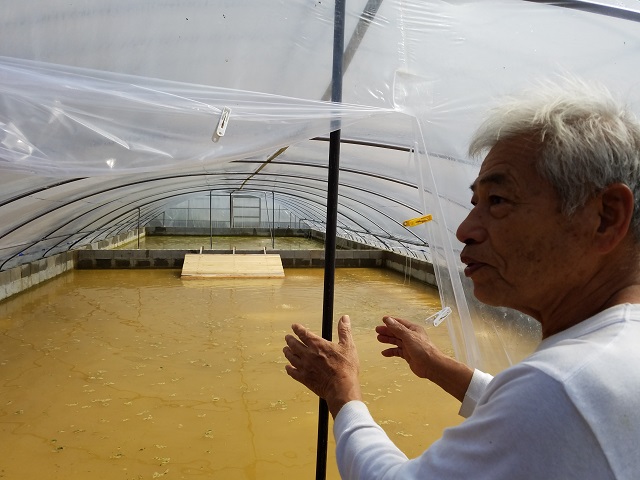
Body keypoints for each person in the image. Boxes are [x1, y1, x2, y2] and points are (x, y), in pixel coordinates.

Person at [282, 78, 640, 479]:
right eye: (474, 203)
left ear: (605, 217)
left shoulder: (562, 386)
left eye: (498, 201)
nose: (465, 228)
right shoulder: (609, 359)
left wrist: (340, 389)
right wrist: (434, 364)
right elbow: (531, 411)